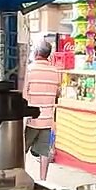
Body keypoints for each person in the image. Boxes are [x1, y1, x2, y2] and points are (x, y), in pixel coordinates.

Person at [23, 39, 62, 180]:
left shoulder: (29, 70)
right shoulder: (56, 72)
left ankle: (21, 178)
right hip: (47, 120)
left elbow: (24, 95)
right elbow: (57, 93)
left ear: (36, 52)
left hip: (31, 119)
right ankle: (43, 180)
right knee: (44, 152)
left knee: (22, 151)